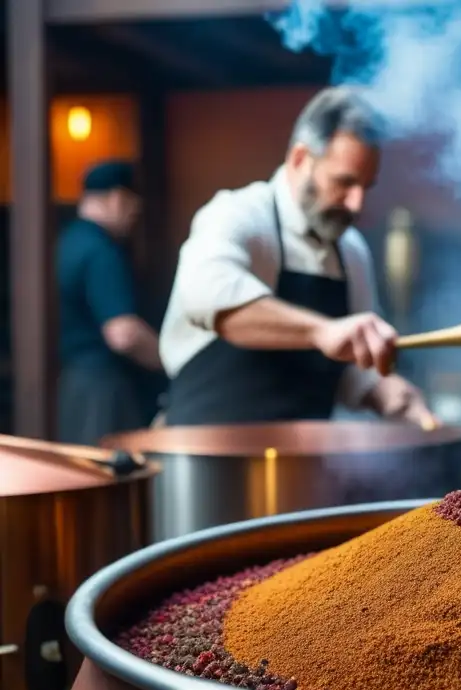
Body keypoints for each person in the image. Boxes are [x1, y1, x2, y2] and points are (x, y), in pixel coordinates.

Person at [159, 86, 437, 428]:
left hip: (306, 467)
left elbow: (353, 360)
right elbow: (208, 297)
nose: (356, 204)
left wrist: (384, 391)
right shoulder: (237, 214)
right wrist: (322, 330)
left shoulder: (351, 250)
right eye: (344, 182)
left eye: (366, 187)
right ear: (301, 159)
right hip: (208, 462)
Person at [57, 160, 163, 445]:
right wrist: (171, 361)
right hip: (103, 390)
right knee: (108, 477)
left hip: (72, 386)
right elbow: (123, 334)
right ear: (117, 198)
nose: (135, 212)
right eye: (132, 203)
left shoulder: (66, 242)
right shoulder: (102, 251)